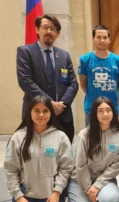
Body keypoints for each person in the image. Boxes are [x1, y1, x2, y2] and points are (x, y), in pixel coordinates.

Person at [3, 95, 73, 202]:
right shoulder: (18, 137)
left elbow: (66, 168)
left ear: (51, 113)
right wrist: (18, 196)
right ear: (29, 112)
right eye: (36, 110)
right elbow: (10, 169)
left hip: (51, 194)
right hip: (26, 195)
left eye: (45, 111)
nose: (41, 115)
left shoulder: (60, 137)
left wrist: (57, 192)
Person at [17, 15, 79, 143]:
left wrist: (62, 104)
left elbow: (73, 83)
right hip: (36, 114)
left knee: (63, 154)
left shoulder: (64, 55)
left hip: (62, 114)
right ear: (37, 30)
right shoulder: (25, 52)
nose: (49, 32)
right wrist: (50, 104)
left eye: (53, 29)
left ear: (58, 34)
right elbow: (25, 81)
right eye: (45, 27)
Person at [67, 97, 119, 202]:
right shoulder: (84, 135)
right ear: (94, 114)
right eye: (100, 111)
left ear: (113, 112)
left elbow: (116, 165)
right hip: (80, 181)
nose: (105, 114)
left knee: (111, 198)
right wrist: (89, 189)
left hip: (104, 180)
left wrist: (97, 186)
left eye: (108, 110)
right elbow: (80, 166)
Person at [78, 25, 119, 126]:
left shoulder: (118, 61)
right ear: (93, 39)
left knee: (112, 139)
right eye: (98, 37)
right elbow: (83, 84)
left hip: (112, 108)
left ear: (109, 40)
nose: (102, 40)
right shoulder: (85, 60)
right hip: (91, 108)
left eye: (105, 37)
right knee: (92, 139)